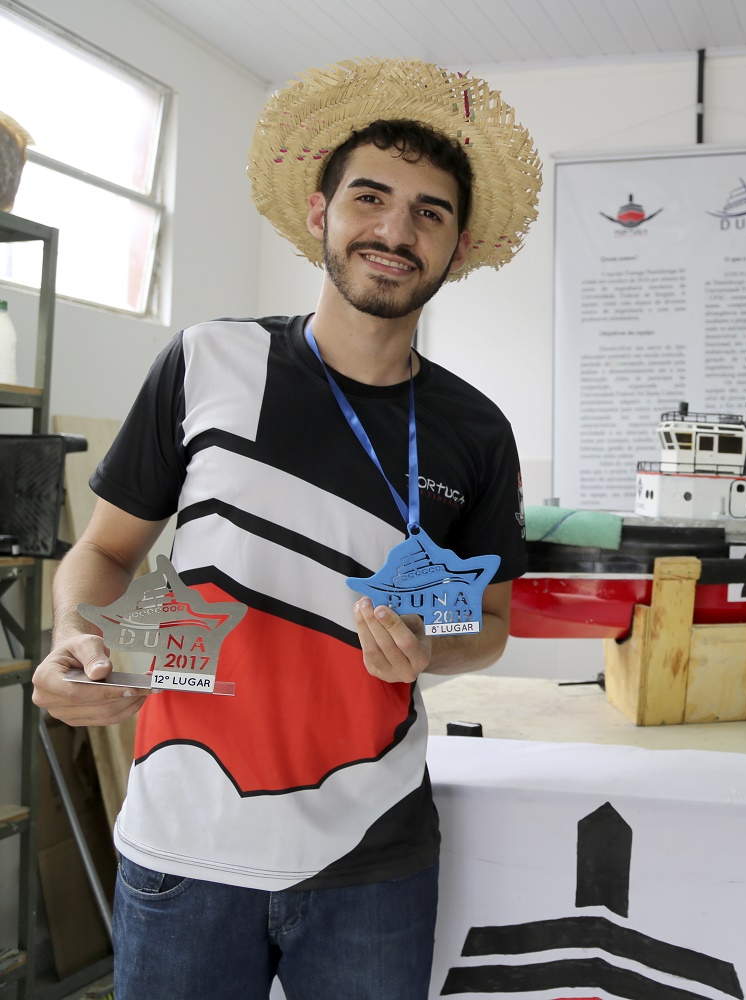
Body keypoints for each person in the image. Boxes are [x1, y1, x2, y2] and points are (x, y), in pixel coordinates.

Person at [31, 59, 541, 999]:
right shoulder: (206, 361)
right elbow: (105, 550)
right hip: (185, 835)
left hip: (373, 849)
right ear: (320, 214)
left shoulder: (477, 432)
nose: (394, 231)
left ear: (457, 246)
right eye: (371, 198)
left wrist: (432, 651)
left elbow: (494, 623)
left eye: (428, 213)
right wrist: (72, 635)